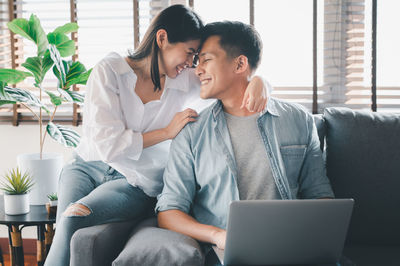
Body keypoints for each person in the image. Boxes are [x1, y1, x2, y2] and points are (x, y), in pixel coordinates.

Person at [44, 5, 268, 266]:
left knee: (74, 218)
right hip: (87, 166)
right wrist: (166, 132)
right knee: (65, 229)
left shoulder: (183, 80)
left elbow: (231, 78)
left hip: (135, 181)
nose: (192, 63)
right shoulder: (111, 71)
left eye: (196, 57)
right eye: (189, 53)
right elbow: (107, 146)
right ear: (162, 39)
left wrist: (261, 82)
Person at [155, 21, 334, 265]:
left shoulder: (298, 119)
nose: (197, 70)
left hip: (290, 250)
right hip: (226, 255)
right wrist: (218, 236)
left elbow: (319, 194)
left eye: (206, 60)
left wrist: (316, 239)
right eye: (196, 61)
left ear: (240, 64)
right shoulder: (191, 132)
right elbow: (168, 212)